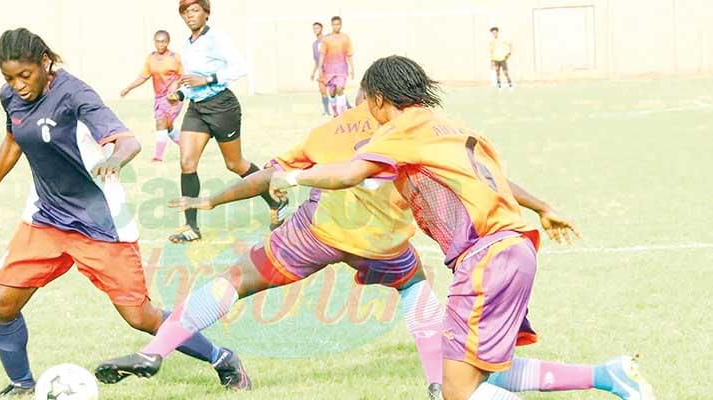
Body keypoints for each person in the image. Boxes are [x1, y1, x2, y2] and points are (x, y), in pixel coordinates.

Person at [92, 90, 600, 400]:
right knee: (414, 287)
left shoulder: (327, 131)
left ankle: (156, 351)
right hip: (384, 243)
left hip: (318, 233)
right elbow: (479, 176)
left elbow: (272, 175)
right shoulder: (412, 130)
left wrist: (212, 202)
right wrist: (541, 206)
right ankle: (432, 381)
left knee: (235, 280)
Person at [267, 55, 656, 400]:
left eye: (367, 102)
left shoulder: (399, 130)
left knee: (456, 390)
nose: (366, 111)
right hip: (514, 248)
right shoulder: (447, 128)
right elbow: (495, 180)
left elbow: (350, 173)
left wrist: (294, 178)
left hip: (486, 257)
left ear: (380, 99)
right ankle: (609, 375)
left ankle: (611, 376)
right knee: (480, 371)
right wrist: (542, 207)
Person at [0, 27, 249, 397]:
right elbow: (12, 141)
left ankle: (221, 357)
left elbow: (128, 140)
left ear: (45, 63)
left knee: (141, 317)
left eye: (25, 75)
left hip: (99, 223)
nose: (18, 85)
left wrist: (115, 159)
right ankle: (21, 384)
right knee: (0, 304)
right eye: (9, 78)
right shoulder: (12, 98)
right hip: (46, 218)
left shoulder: (75, 95)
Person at [167, 0, 287, 243]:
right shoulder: (186, 45)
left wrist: (208, 79)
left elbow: (240, 67)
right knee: (187, 163)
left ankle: (275, 199)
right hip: (197, 109)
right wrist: (180, 94)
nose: (190, 16)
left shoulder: (217, 39)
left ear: (206, 13)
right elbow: (192, 82)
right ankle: (191, 227)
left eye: (195, 10)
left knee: (234, 163)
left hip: (222, 106)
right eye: (185, 12)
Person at [120, 30, 184, 162]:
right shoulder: (151, 58)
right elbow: (143, 76)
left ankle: (158, 157)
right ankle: (187, 147)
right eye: (158, 41)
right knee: (167, 126)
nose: (160, 44)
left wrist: (175, 86)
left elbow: (182, 76)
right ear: (154, 42)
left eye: (163, 41)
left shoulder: (174, 57)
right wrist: (129, 88)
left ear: (168, 42)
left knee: (163, 123)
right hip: (159, 98)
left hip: (173, 98)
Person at [315, 16, 354, 117]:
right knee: (332, 92)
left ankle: (342, 114)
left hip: (342, 69)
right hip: (329, 70)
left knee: (340, 88)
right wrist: (320, 69)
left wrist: (352, 69)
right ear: (332, 25)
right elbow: (322, 55)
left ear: (341, 25)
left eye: (338, 24)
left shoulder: (345, 38)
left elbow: (349, 54)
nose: (336, 26)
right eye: (334, 24)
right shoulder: (326, 39)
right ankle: (335, 112)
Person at [310, 22, 330, 116]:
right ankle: (326, 110)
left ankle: (346, 107)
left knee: (335, 90)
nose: (316, 30)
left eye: (317, 28)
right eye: (314, 28)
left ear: (321, 29)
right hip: (321, 71)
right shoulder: (314, 44)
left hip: (330, 69)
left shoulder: (327, 40)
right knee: (322, 90)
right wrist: (313, 72)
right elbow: (317, 61)